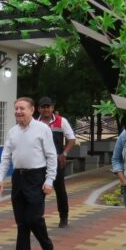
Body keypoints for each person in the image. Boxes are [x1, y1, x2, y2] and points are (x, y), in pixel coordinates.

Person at [0, 97, 57, 250]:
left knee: (34, 218)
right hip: (18, 177)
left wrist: (49, 180)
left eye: (22, 108)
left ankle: (48, 248)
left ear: (32, 110)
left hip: (36, 177)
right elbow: (6, 156)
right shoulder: (13, 132)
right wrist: (0, 179)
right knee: (21, 220)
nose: (18, 112)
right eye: (16, 108)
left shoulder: (42, 129)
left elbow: (51, 156)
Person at [37, 96, 77, 227]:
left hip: (57, 161)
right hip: (40, 162)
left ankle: (63, 217)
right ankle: (38, 217)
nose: (46, 109)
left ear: (52, 108)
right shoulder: (35, 123)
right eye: (43, 107)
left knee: (60, 190)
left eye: (48, 106)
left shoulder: (61, 121)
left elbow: (71, 139)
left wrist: (64, 154)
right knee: (39, 191)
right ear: (39, 109)